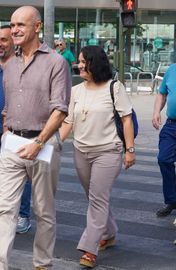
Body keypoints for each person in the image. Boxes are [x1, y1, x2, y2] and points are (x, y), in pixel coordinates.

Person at [0, 6, 71, 270]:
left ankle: (42, 264)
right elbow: (7, 106)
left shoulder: (56, 62)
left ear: (37, 27)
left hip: (43, 144)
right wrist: (5, 134)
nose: (14, 30)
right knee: (5, 210)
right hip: (12, 143)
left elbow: (60, 110)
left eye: (21, 25)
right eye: (12, 25)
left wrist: (39, 142)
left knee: (43, 212)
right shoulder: (9, 64)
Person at [59, 46, 136, 268]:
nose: (79, 65)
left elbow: (127, 120)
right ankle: (110, 232)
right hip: (81, 151)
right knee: (94, 197)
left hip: (108, 151)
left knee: (97, 198)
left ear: (97, 63)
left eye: (84, 62)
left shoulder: (115, 88)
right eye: (79, 62)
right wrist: (54, 143)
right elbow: (68, 122)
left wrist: (129, 150)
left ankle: (89, 248)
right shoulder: (76, 90)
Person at [0, 25, 32, 233]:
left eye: (4, 40)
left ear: (13, 42)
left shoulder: (23, 66)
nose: (0, 44)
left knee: (21, 174)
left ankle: (22, 215)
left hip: (16, 132)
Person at [153, 62, 176, 217]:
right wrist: (156, 112)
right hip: (171, 125)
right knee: (163, 159)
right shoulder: (172, 69)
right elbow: (162, 93)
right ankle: (172, 200)